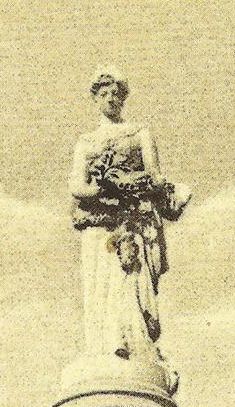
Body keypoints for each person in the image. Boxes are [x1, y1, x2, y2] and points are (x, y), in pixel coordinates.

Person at [69, 71, 190, 388]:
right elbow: (76, 186)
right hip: (100, 226)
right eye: (104, 94)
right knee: (103, 282)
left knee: (131, 281)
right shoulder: (86, 142)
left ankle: (133, 343)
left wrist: (135, 186)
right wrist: (102, 188)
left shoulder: (139, 133)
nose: (110, 99)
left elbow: (155, 176)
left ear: (123, 98)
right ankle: (105, 345)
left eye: (115, 93)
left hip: (134, 221)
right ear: (95, 99)